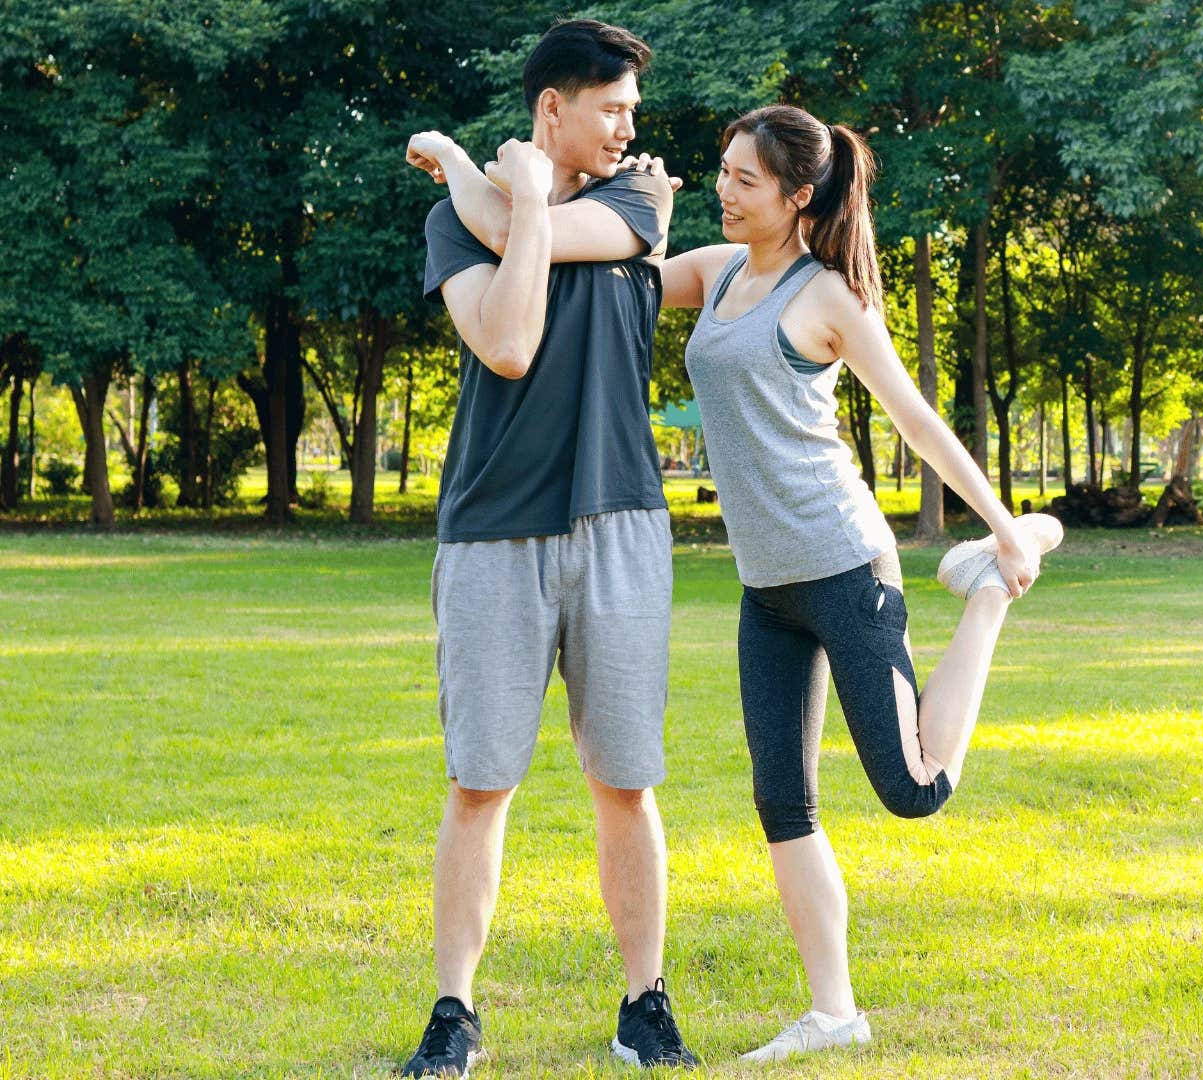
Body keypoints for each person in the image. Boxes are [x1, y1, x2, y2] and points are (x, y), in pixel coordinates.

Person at [654, 104, 1063, 1061]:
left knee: (914, 790)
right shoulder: (716, 274)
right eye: (721, 172)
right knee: (781, 804)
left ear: (800, 196)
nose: (724, 190)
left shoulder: (827, 295)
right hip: (767, 590)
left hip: (845, 567)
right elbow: (624, 272)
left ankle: (988, 598)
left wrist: (1002, 527)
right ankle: (834, 1013)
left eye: (745, 180)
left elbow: (916, 421)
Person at [400, 18, 697, 1075]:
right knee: (481, 781)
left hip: (620, 519)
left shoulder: (638, 203)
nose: (628, 128)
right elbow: (511, 343)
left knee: (627, 778)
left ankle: (644, 1002)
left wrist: (488, 179)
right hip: (491, 531)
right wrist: (491, 186)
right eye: (609, 108)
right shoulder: (457, 226)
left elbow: (511, 221)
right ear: (552, 109)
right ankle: (454, 1012)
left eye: (632, 111)